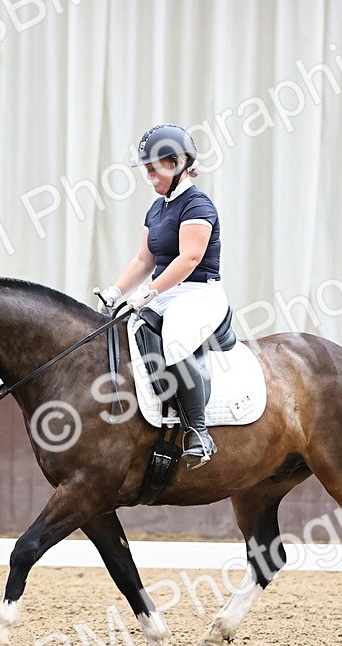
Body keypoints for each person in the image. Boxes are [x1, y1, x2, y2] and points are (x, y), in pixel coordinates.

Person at [97, 124, 228, 468]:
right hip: (164, 292)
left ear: (177, 163)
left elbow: (190, 258)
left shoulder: (197, 204)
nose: (148, 175)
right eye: (146, 168)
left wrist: (151, 291)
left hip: (198, 293)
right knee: (123, 333)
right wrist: (116, 292)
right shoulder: (157, 208)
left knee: (175, 340)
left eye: (154, 167)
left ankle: (198, 432)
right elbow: (144, 260)